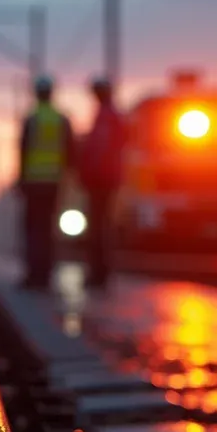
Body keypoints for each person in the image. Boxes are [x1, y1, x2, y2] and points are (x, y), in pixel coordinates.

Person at [17, 75, 77, 290]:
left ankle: (34, 275)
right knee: (49, 228)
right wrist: (70, 179)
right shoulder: (62, 119)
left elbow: (22, 151)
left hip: (34, 182)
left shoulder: (31, 119)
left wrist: (21, 180)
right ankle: (47, 276)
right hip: (54, 182)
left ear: (36, 94)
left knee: (33, 229)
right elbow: (71, 151)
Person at [77, 76, 127, 289]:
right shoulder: (112, 116)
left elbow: (99, 150)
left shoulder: (106, 117)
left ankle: (99, 274)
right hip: (108, 178)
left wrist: (86, 173)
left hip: (101, 179)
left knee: (98, 226)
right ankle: (100, 272)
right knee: (101, 225)